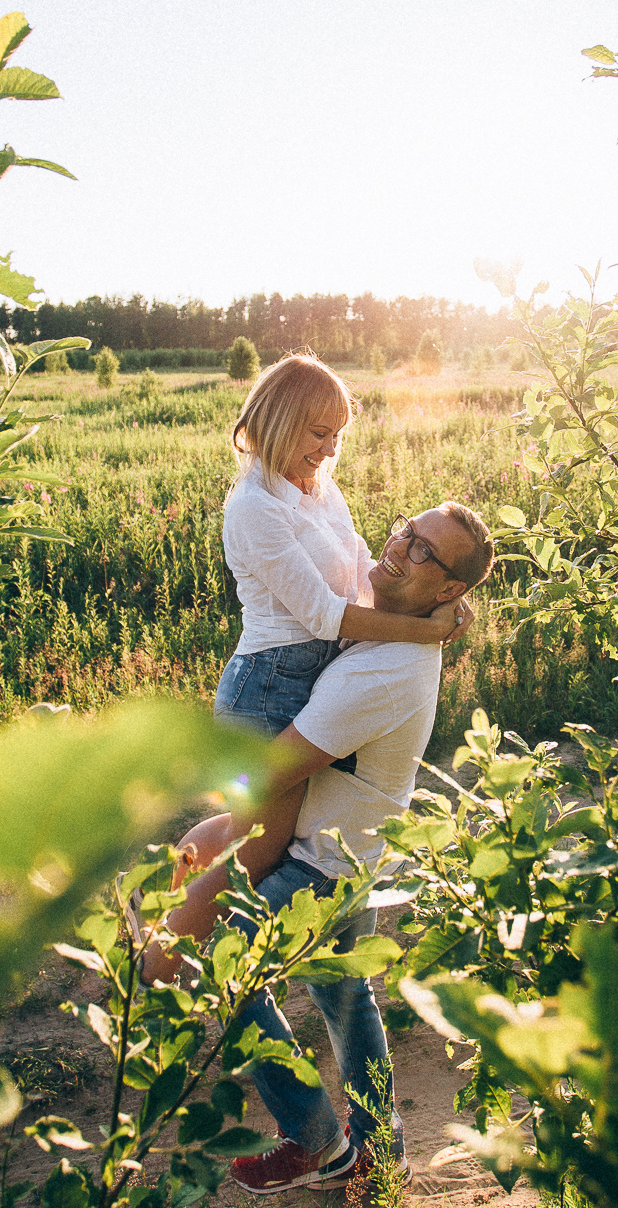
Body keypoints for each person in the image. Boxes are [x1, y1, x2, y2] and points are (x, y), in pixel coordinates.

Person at [173, 502, 496, 1196]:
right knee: (348, 1002)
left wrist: (210, 787)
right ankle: (381, 1147)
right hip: (351, 853)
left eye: (423, 552)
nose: (399, 547)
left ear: (449, 591)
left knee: (222, 969)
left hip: (318, 864)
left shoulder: (385, 672)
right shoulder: (390, 627)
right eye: (408, 530)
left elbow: (267, 771)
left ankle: (318, 1139)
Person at [140, 354, 468, 974]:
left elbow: (359, 570)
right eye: (319, 433)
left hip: (302, 677)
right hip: (268, 685)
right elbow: (325, 615)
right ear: (280, 420)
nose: (329, 448)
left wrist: (439, 601)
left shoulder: (317, 489)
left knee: (252, 834)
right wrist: (425, 632)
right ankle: (151, 981)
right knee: (256, 854)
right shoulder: (255, 508)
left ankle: (164, 891)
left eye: (338, 434)